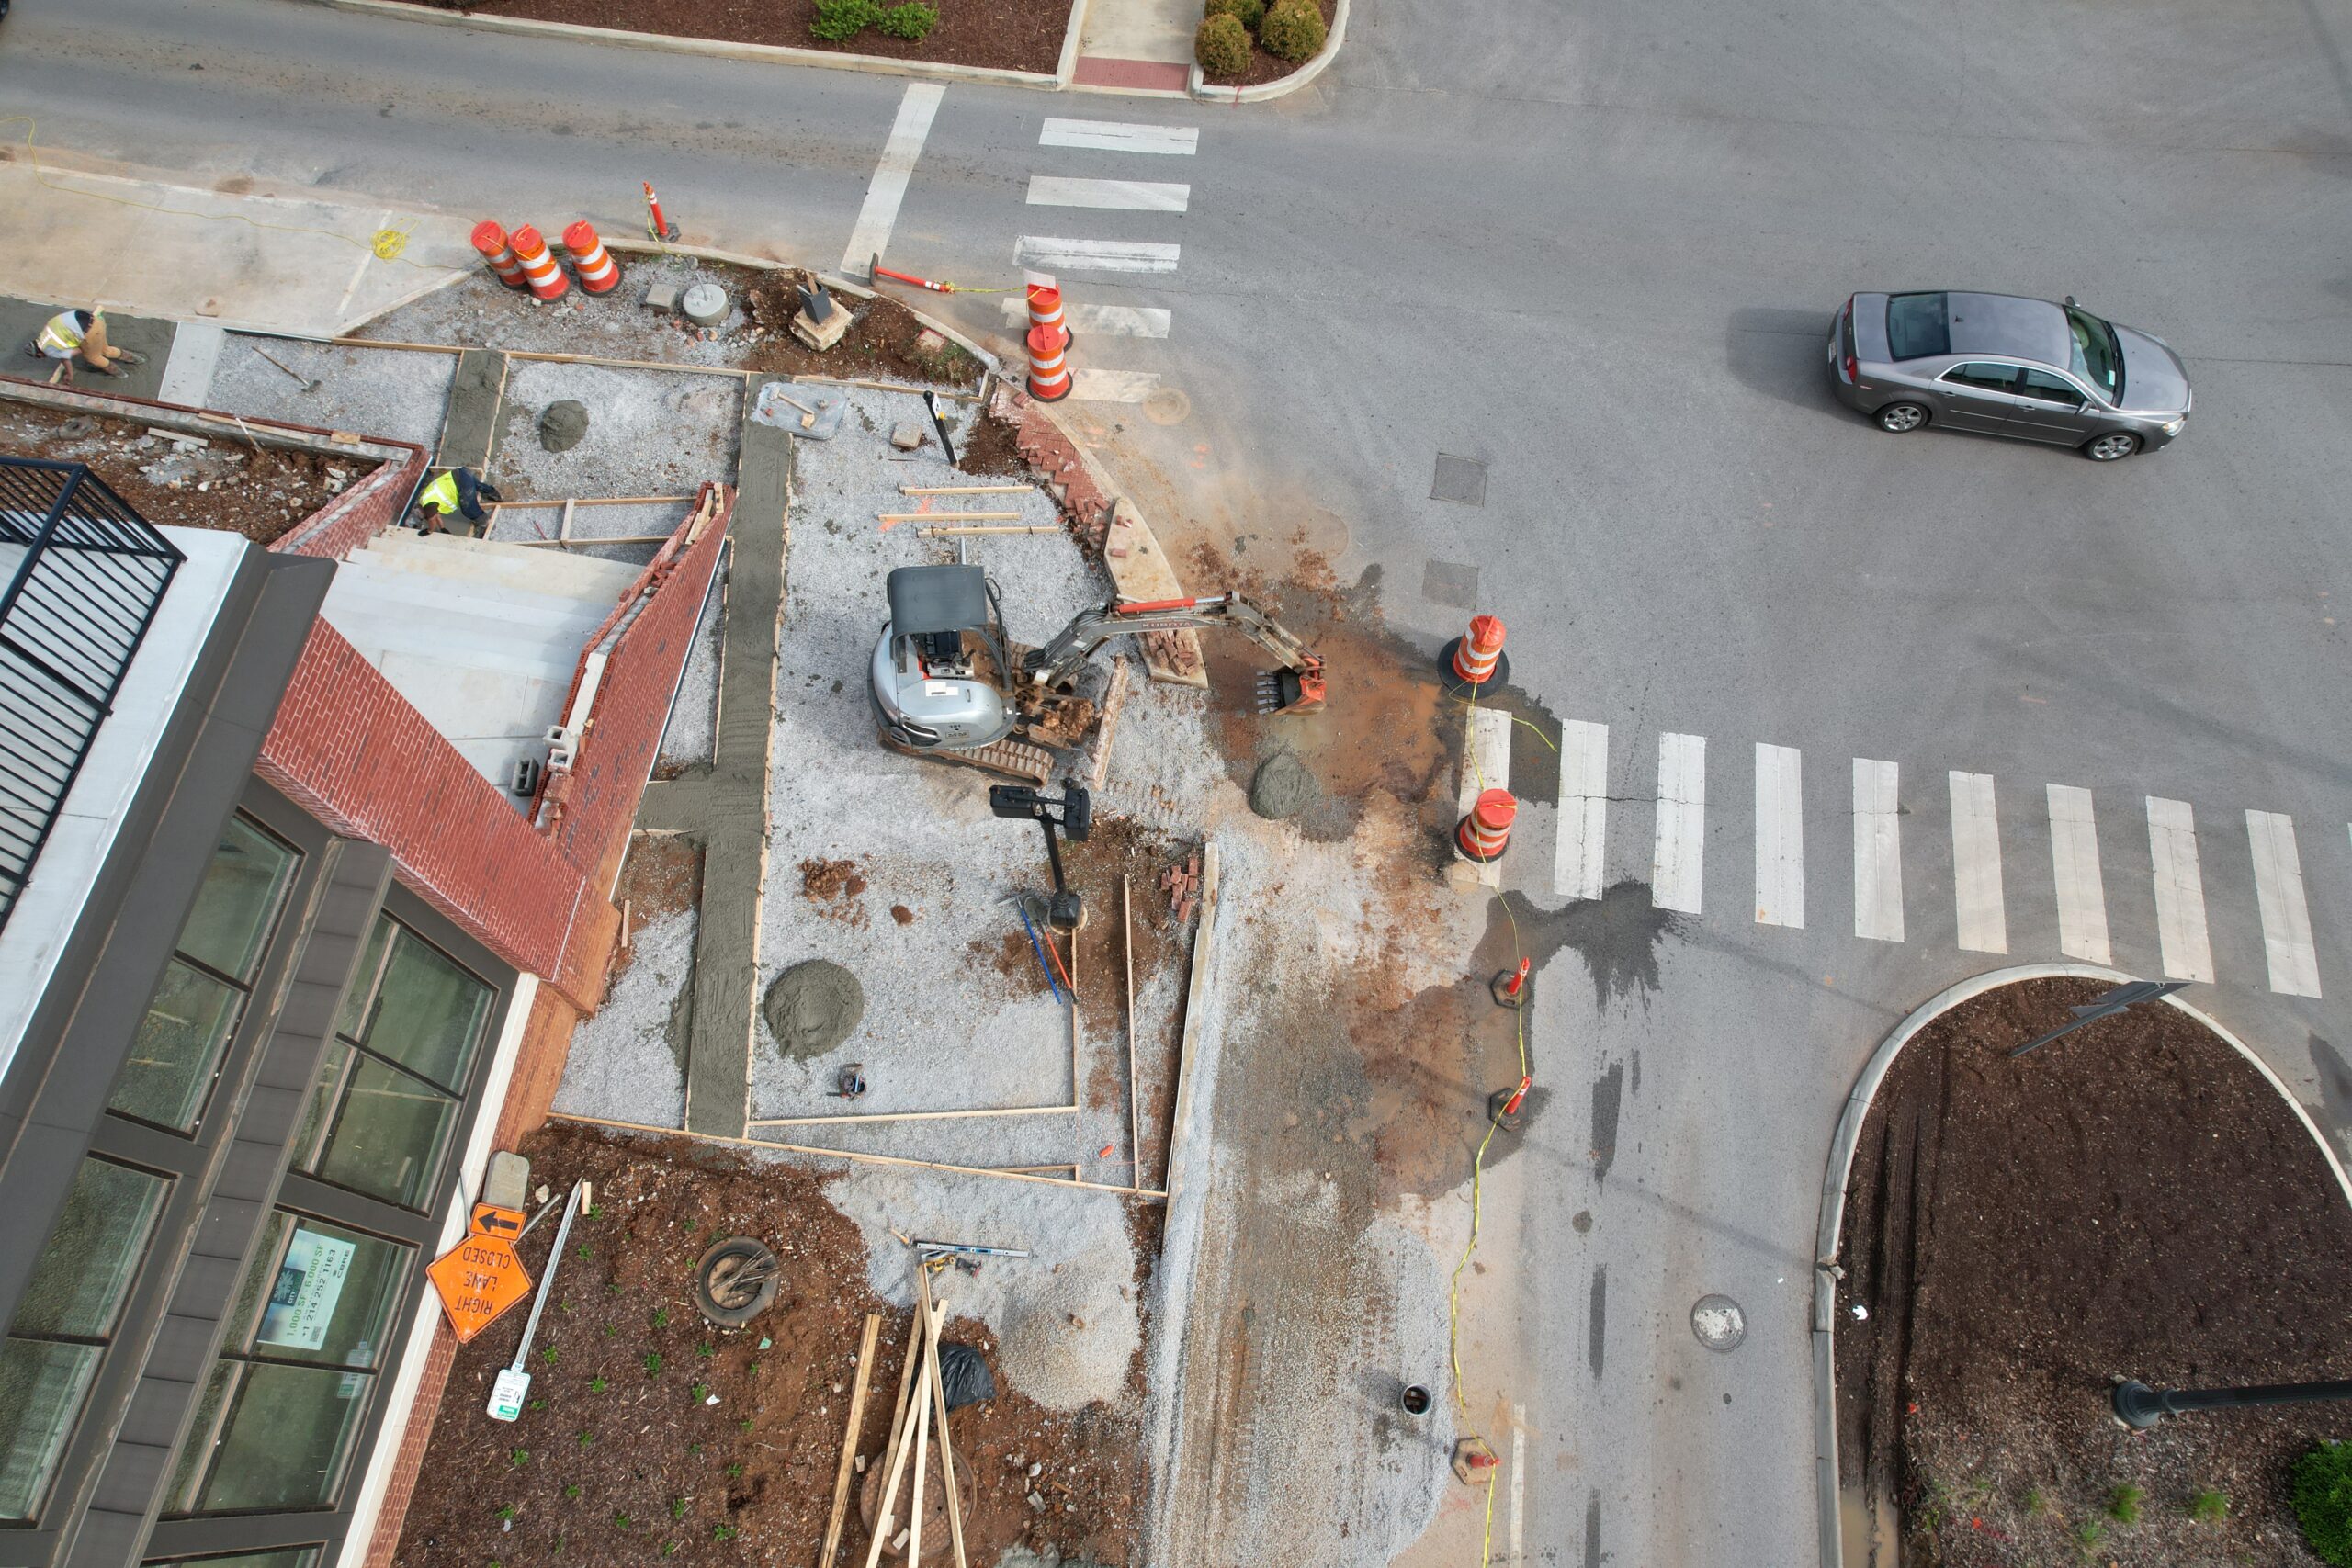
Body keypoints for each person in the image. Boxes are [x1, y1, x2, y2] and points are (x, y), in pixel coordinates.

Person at [28, 309, 145, 383]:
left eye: (39, 357)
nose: (43, 357)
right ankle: (137, 359)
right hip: (96, 321)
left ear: (39, 352)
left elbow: (68, 357)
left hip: (89, 333)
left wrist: (70, 375)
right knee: (106, 350)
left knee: (93, 357)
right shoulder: (46, 329)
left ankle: (120, 374)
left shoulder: (48, 350)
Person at [411, 467, 503, 535]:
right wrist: (442, 528)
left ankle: (487, 524)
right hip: (461, 473)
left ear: (424, 512)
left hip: (461, 483)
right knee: (477, 485)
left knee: (468, 509)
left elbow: (432, 520)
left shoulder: (429, 507)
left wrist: (429, 531)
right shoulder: (426, 500)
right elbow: (436, 516)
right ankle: (495, 495)